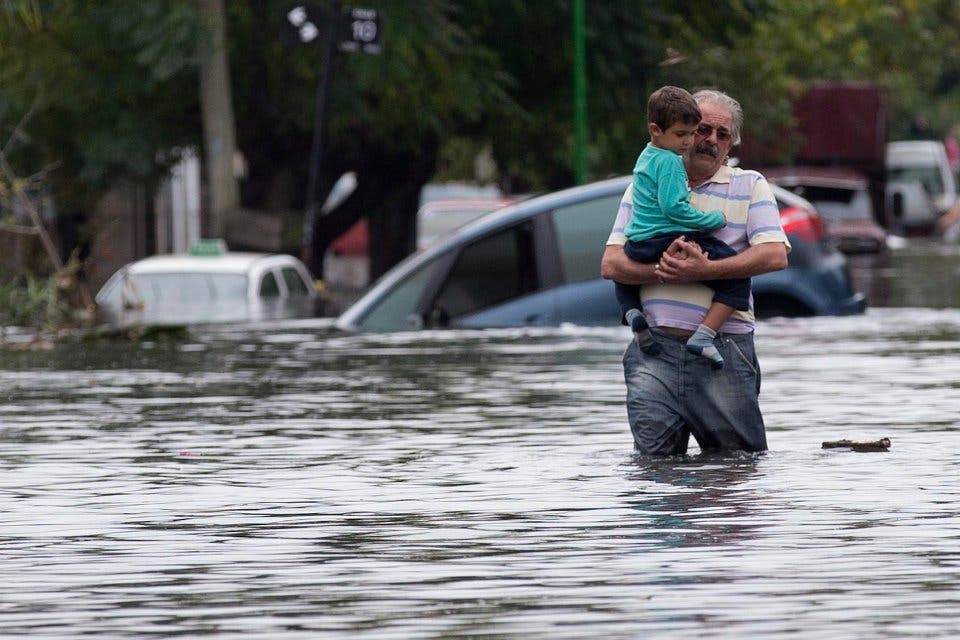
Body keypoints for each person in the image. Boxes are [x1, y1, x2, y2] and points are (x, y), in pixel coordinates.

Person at [600, 89, 790, 456]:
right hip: (653, 351)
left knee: (736, 468)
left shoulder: (750, 184)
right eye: (702, 130)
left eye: (723, 135)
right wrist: (666, 270)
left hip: (723, 352)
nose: (710, 141)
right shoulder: (645, 184)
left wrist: (706, 269)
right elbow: (611, 264)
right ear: (680, 130)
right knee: (653, 470)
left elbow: (774, 255)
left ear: (733, 143)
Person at [616, 86, 750, 369]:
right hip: (666, 239)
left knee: (624, 277)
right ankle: (704, 336)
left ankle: (632, 314)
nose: (690, 142)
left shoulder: (645, 157)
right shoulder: (672, 163)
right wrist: (712, 220)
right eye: (688, 133)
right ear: (656, 129)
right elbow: (674, 208)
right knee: (739, 275)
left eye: (722, 134)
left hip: (638, 242)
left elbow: (775, 256)